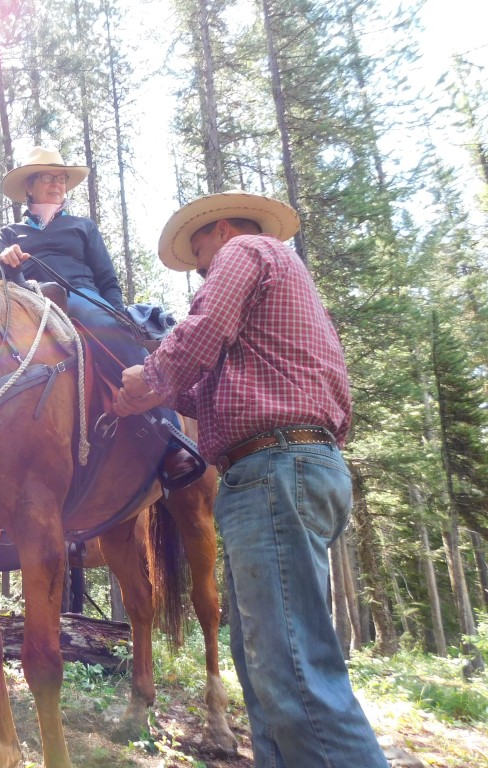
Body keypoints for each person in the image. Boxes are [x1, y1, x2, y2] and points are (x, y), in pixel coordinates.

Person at [114, 191, 389, 767]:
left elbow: (202, 328)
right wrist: (154, 395)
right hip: (284, 470)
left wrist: (151, 374)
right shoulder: (281, 283)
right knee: (266, 668)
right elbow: (205, 386)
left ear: (218, 230)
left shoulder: (246, 251)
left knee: (293, 672)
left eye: (199, 255)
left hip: (273, 471)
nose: (202, 267)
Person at [0, 146, 200, 488]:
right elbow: (6, 283)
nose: (57, 184)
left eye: (61, 178)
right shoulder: (11, 233)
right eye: (48, 177)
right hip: (30, 300)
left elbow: (107, 279)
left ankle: (166, 436)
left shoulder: (82, 227)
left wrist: (116, 315)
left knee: (108, 329)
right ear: (30, 186)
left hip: (80, 294)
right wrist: (8, 262)